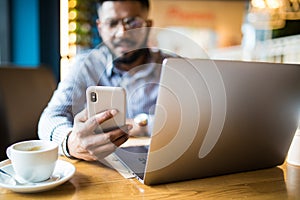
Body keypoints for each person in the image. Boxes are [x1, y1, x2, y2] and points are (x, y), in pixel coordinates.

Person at [38, 0, 175, 161]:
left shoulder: (175, 67)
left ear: (148, 25)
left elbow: (196, 119)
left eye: (132, 22)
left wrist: (140, 125)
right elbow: (50, 118)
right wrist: (70, 142)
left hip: (160, 162)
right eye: (112, 23)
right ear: (100, 27)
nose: (122, 33)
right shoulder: (85, 65)